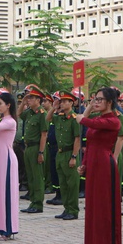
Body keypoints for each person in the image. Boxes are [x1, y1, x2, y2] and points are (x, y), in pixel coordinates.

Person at [76, 87, 122, 244]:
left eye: (100, 100)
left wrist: (84, 116)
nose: (96, 102)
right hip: (93, 165)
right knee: (93, 208)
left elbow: (87, 123)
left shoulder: (113, 121)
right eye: (95, 99)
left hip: (104, 165)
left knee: (104, 208)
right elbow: (90, 142)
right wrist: (84, 164)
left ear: (109, 102)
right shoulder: (97, 118)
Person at [0, 91, 20, 239]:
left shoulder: (10, 121)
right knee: (1, 193)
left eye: (0, 103)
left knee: (7, 193)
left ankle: (8, 229)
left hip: (7, 159)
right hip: (1, 158)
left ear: (8, 105)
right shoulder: (3, 121)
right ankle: (2, 228)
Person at [46, 91, 81, 220]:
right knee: (63, 183)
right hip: (59, 153)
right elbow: (48, 118)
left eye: (65, 101)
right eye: (61, 101)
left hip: (69, 153)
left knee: (72, 184)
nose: (63, 103)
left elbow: (77, 139)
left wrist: (74, 156)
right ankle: (66, 208)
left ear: (71, 103)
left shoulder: (74, 118)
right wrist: (54, 107)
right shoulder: (59, 117)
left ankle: (73, 210)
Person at [17, 85, 48, 214]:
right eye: (28, 98)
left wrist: (41, 152)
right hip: (28, 147)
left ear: (38, 100)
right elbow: (18, 114)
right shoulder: (29, 112)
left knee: (37, 177)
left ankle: (38, 204)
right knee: (30, 176)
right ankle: (32, 201)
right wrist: (23, 103)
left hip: (36, 147)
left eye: (31, 98)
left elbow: (44, 134)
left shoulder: (42, 114)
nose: (28, 100)